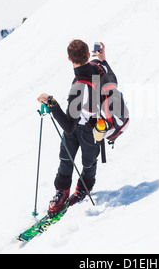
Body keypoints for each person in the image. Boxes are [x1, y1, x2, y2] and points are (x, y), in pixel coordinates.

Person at [37, 40, 107, 217]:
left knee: (66, 159)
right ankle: (83, 188)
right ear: (88, 54)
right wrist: (103, 58)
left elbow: (68, 126)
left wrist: (51, 102)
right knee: (88, 162)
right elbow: (111, 77)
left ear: (69, 59)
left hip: (82, 128)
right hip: (95, 127)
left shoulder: (79, 86)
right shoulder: (99, 67)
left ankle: (63, 193)